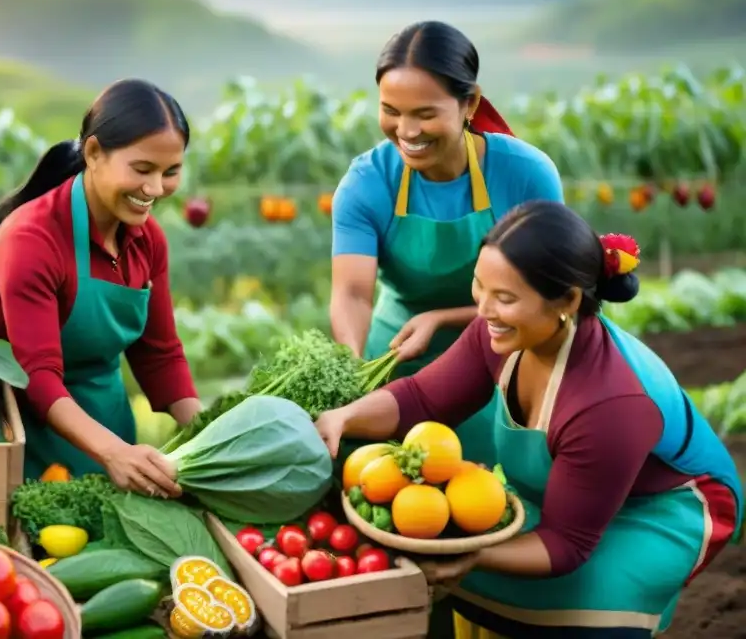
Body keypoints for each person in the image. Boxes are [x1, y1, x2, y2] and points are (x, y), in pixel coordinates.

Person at [316, 201, 743, 638]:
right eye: (479, 287)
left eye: (505, 298)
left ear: (568, 301)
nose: (482, 310)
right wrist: (344, 418)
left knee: (584, 608)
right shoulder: (501, 330)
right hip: (582, 488)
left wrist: (474, 555)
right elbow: (423, 398)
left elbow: (565, 544)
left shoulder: (611, 401)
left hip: (665, 507)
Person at [330, 20, 564, 475]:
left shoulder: (525, 174)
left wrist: (441, 319)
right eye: (391, 111)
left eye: (424, 113)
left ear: (469, 103)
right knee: (392, 492)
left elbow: (548, 297)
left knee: (497, 493)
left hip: (510, 354)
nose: (406, 130)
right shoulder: (367, 183)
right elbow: (353, 293)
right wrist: (354, 371)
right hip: (399, 353)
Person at [0, 79, 203, 498]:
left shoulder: (148, 240)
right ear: (94, 153)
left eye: (171, 172)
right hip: (26, 437)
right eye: (142, 169)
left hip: (109, 427)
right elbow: (36, 376)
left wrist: (213, 433)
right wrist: (112, 453)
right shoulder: (32, 240)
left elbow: (160, 354)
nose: (155, 190)